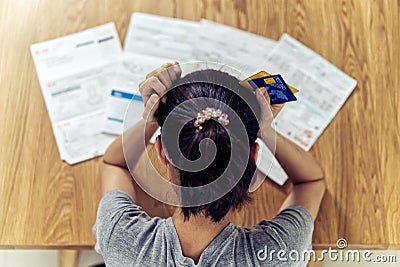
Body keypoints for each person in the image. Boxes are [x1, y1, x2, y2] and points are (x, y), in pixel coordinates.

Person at [93, 62, 326, 266]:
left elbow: (115, 163)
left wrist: (151, 119)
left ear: (162, 151)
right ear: (253, 155)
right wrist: (265, 129)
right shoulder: (278, 254)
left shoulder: (121, 239)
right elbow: (311, 181)